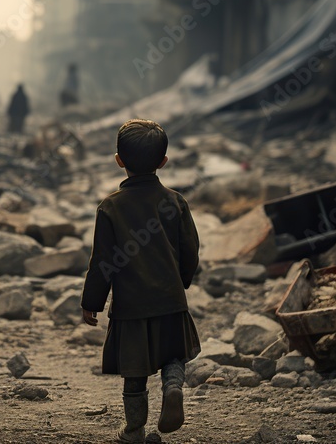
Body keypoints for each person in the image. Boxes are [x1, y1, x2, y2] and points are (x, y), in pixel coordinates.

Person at [79, 119, 200, 443]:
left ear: (119, 160)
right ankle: (173, 388)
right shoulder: (175, 202)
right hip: (170, 299)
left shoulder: (110, 207)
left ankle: (134, 431)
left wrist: (92, 302)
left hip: (131, 306)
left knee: (134, 374)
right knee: (173, 355)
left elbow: (103, 261)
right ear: (163, 162)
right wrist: (182, 281)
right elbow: (190, 249)